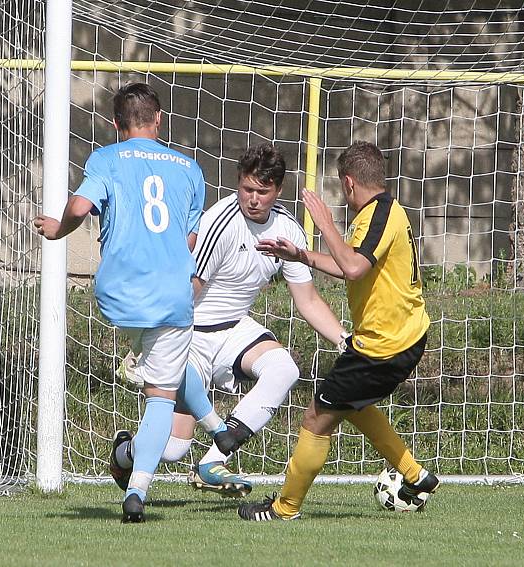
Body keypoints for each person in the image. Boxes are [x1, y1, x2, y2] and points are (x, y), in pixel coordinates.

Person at [33, 82, 236, 523]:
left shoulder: (105, 158)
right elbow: (188, 236)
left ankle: (219, 430)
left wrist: (57, 230)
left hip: (117, 297)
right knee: (161, 396)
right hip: (169, 295)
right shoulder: (188, 168)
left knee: (169, 361)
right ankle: (137, 490)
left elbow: (80, 204)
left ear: (115, 124)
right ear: (159, 119)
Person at [112, 142, 348, 498]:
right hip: (189, 334)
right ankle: (125, 453)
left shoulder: (289, 230)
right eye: (246, 188)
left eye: (262, 192)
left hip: (235, 329)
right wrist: (153, 338)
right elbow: (189, 289)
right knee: (174, 448)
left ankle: (213, 460)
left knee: (284, 369)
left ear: (277, 191)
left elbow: (309, 299)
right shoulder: (218, 222)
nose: (252, 198)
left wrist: (344, 340)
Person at [238, 141, 439, 521]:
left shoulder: (378, 215)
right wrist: (300, 255)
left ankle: (284, 508)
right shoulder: (383, 212)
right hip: (398, 338)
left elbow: (354, 268)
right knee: (351, 405)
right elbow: (351, 262)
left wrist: (325, 223)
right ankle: (416, 475)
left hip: (384, 345)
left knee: (317, 416)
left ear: (348, 183)